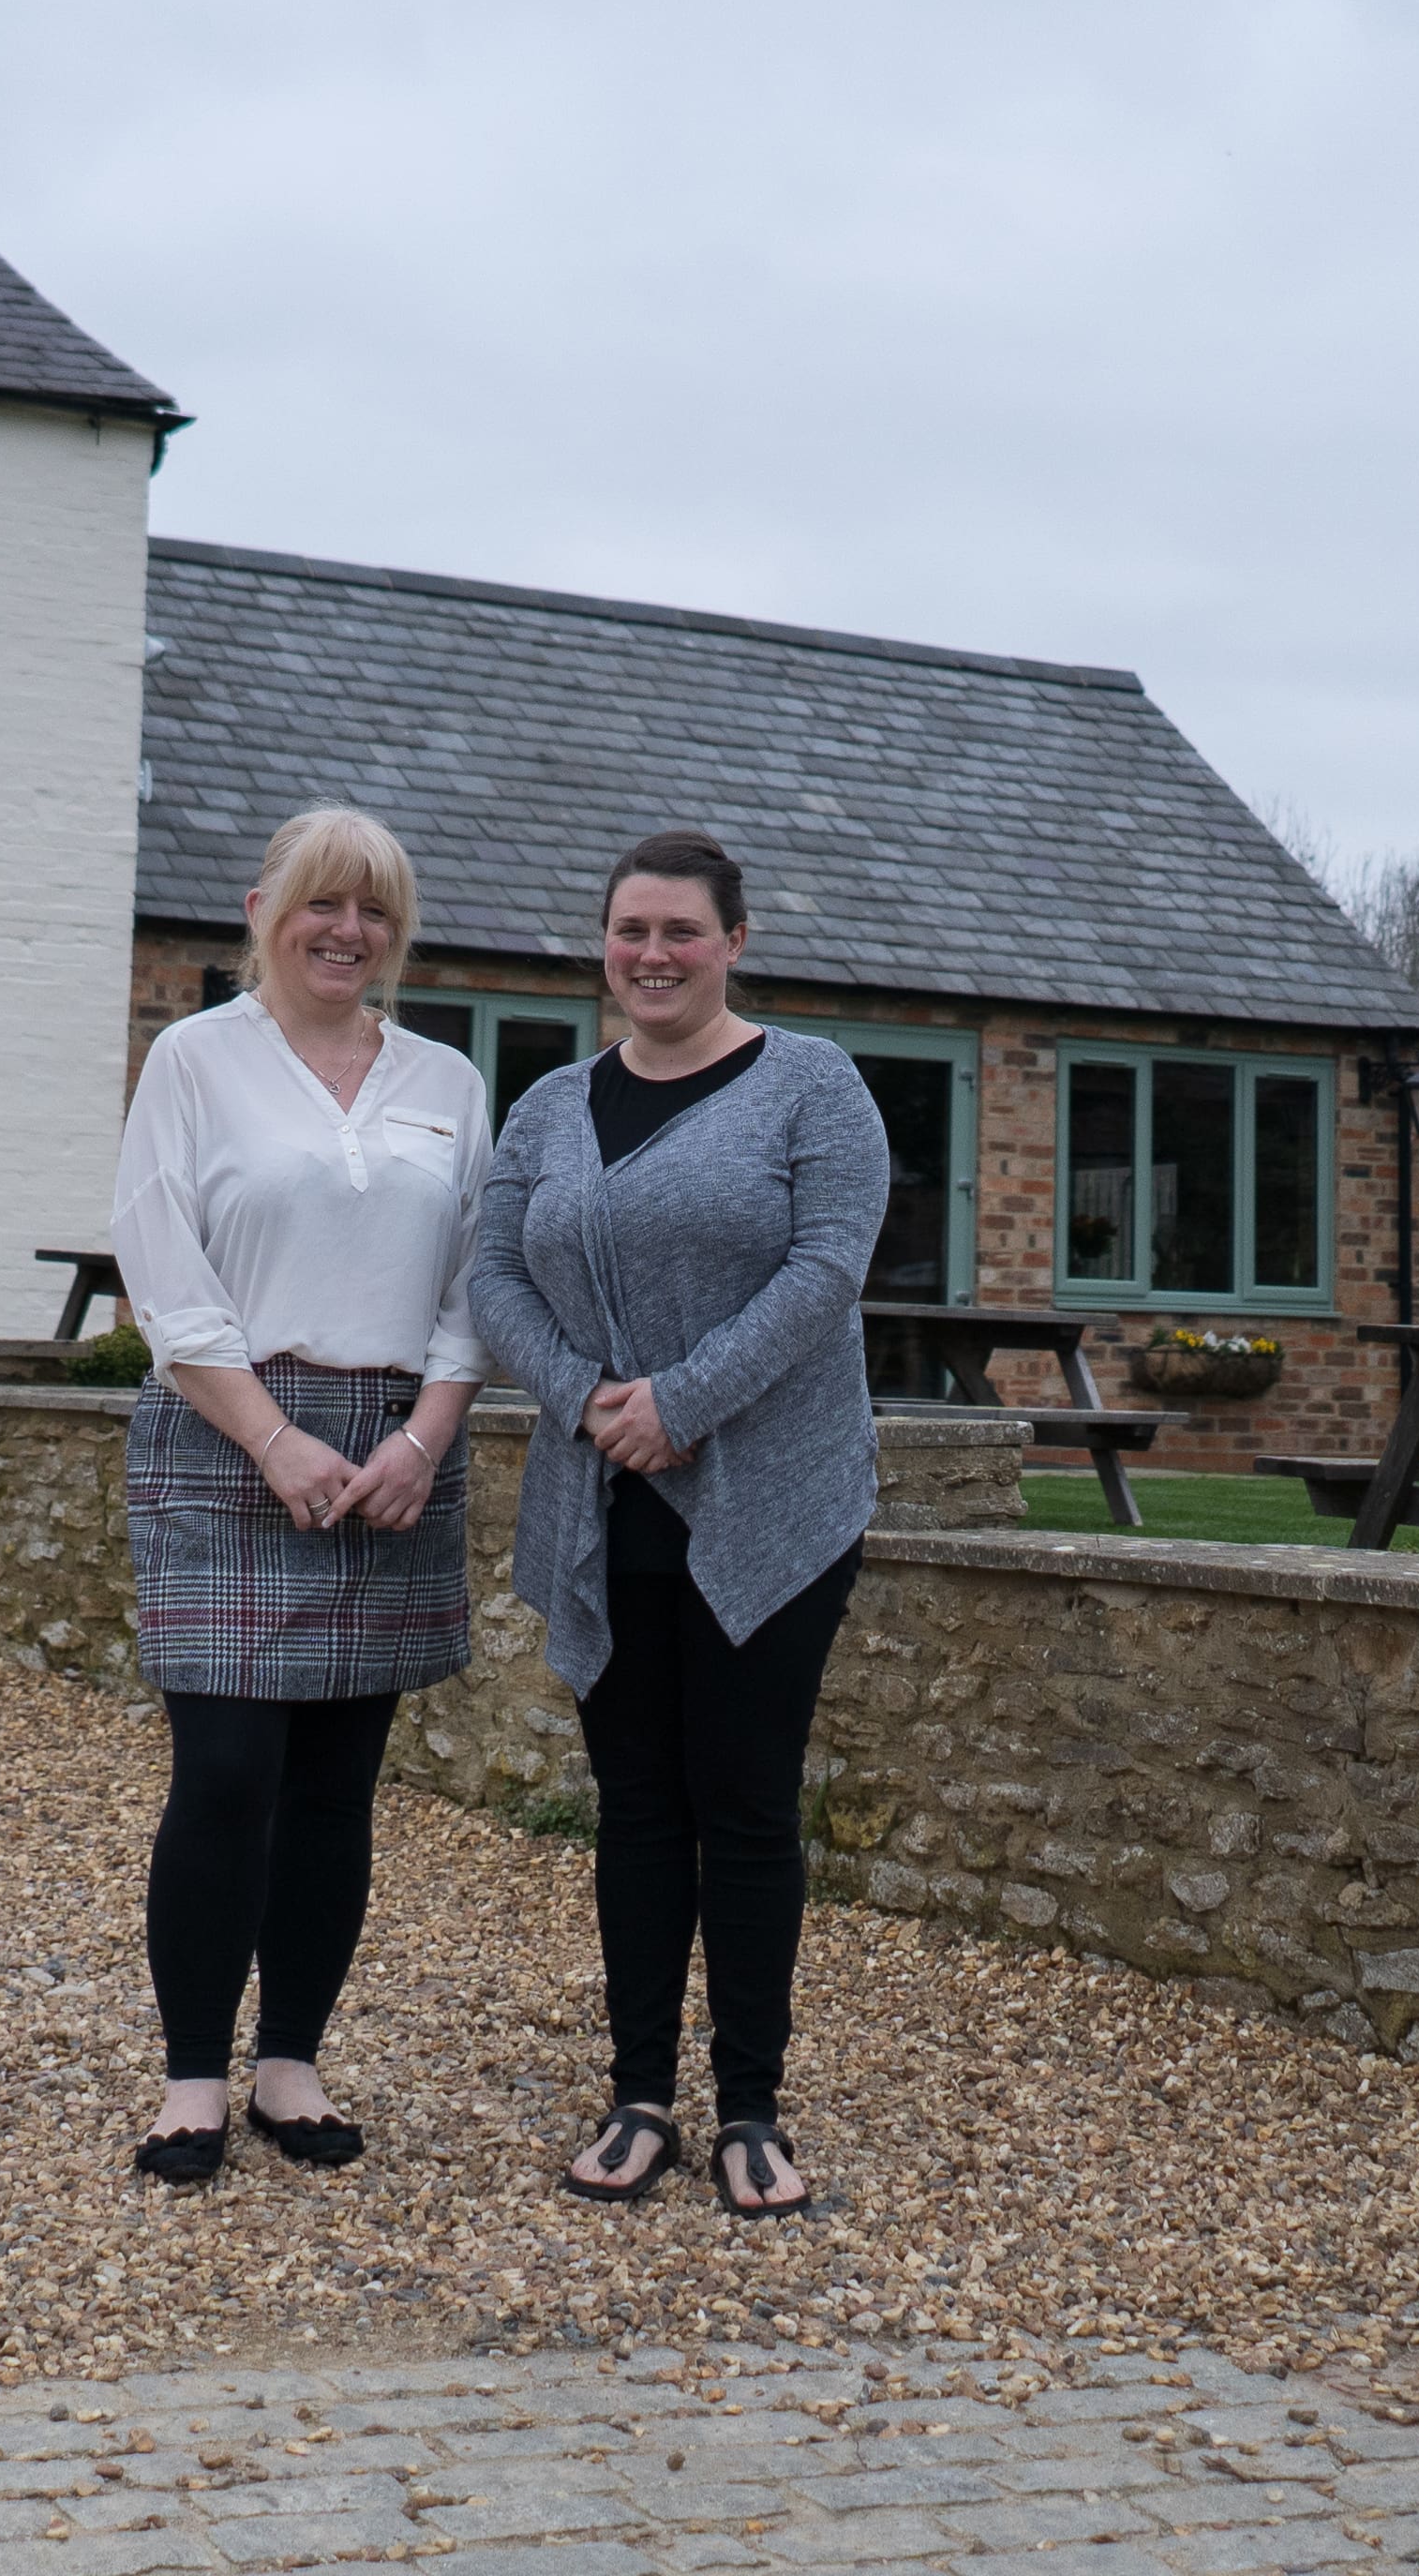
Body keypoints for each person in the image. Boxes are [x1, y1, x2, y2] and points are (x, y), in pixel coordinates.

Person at [466, 827, 889, 2221]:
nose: (653, 954)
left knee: (749, 1808)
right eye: (631, 930)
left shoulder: (810, 1088)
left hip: (768, 1498)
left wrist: (686, 1403)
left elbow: (829, 1266)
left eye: (682, 933)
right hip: (604, 1499)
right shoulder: (548, 1107)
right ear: (605, 943)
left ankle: (753, 2109)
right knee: (639, 1810)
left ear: (734, 943)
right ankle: (640, 2093)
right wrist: (594, 1402)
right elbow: (492, 1276)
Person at [106, 805, 487, 2188]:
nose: (348, 932)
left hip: (390, 1457)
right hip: (226, 1439)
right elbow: (162, 1265)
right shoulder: (196, 1061)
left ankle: (293, 2064)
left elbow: (469, 1288)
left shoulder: (447, 1080)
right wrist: (273, 1441)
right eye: (322, 904)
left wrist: (423, 1442)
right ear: (264, 908)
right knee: (226, 1775)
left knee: (336, 1786)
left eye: (375, 912)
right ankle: (195, 2075)